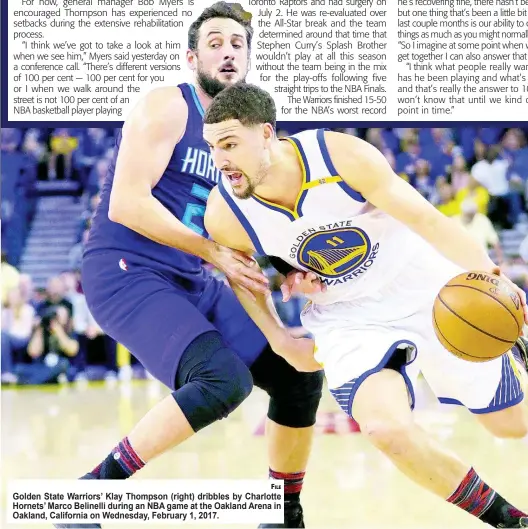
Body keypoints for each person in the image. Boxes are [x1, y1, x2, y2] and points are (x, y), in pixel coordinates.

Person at [200, 83, 528, 529]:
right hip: (349, 318)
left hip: (423, 286)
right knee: (384, 428)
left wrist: (493, 277)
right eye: (213, 147)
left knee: (513, 426)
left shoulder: (339, 156)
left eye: (230, 144)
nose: (221, 160)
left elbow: (426, 218)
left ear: (267, 133)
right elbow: (246, 278)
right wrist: (278, 335)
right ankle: (511, 521)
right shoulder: (225, 212)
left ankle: (516, 352)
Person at [65, 4, 323, 529]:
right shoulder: (166, 106)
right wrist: (212, 253)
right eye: (215, 42)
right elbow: (126, 204)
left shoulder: (252, 138)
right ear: (192, 56)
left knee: (298, 376)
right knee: (221, 380)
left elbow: (246, 246)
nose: (228, 51)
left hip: (193, 276)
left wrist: (285, 299)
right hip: (126, 271)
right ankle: (90, 499)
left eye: (238, 43)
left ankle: (283, 511)